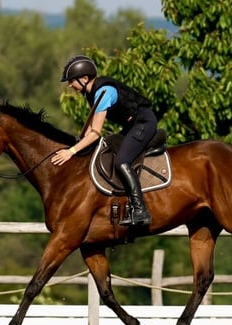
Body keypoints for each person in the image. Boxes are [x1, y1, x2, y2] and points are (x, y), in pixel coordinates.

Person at [51, 54, 156, 226]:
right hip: (132, 125)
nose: (70, 85)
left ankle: (140, 210)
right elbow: (88, 133)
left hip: (144, 123)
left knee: (121, 161)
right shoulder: (92, 92)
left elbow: (95, 133)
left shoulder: (103, 92)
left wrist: (71, 152)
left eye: (72, 81)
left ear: (84, 78)